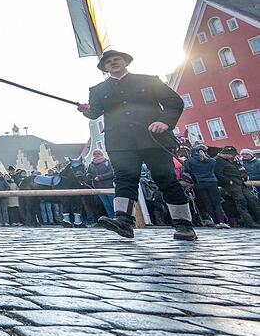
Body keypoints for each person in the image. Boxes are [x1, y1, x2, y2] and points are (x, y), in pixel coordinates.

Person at [77, 49, 196, 240]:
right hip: (120, 142)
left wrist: (165, 121)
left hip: (153, 138)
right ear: (105, 67)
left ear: (126, 62)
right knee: (124, 179)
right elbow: (95, 112)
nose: (114, 62)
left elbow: (174, 102)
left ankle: (184, 225)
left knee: (165, 179)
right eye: (109, 61)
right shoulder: (97, 90)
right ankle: (123, 221)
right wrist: (86, 110)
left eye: (117, 59)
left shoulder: (149, 80)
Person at [182, 145, 227, 228]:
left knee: (207, 203)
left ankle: (215, 222)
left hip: (199, 183)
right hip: (212, 183)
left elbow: (186, 170)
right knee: (217, 203)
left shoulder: (190, 161)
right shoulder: (211, 161)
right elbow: (212, 165)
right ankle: (221, 222)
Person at [215, 146, 260, 227]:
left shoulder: (231, 160)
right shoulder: (217, 161)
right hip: (231, 185)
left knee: (252, 200)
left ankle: (258, 219)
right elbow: (218, 174)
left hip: (240, 183)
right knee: (241, 202)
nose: (234, 156)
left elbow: (239, 168)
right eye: (232, 155)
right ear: (227, 154)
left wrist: (243, 176)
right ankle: (249, 222)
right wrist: (229, 181)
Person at [88, 150, 116, 218]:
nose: (96, 155)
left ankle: (117, 218)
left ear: (102, 154)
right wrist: (89, 176)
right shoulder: (91, 164)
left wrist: (101, 177)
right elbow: (88, 173)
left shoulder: (107, 162)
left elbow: (112, 173)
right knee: (106, 205)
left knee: (113, 204)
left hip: (109, 186)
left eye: (98, 154)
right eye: (94, 154)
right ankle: (111, 218)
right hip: (98, 187)